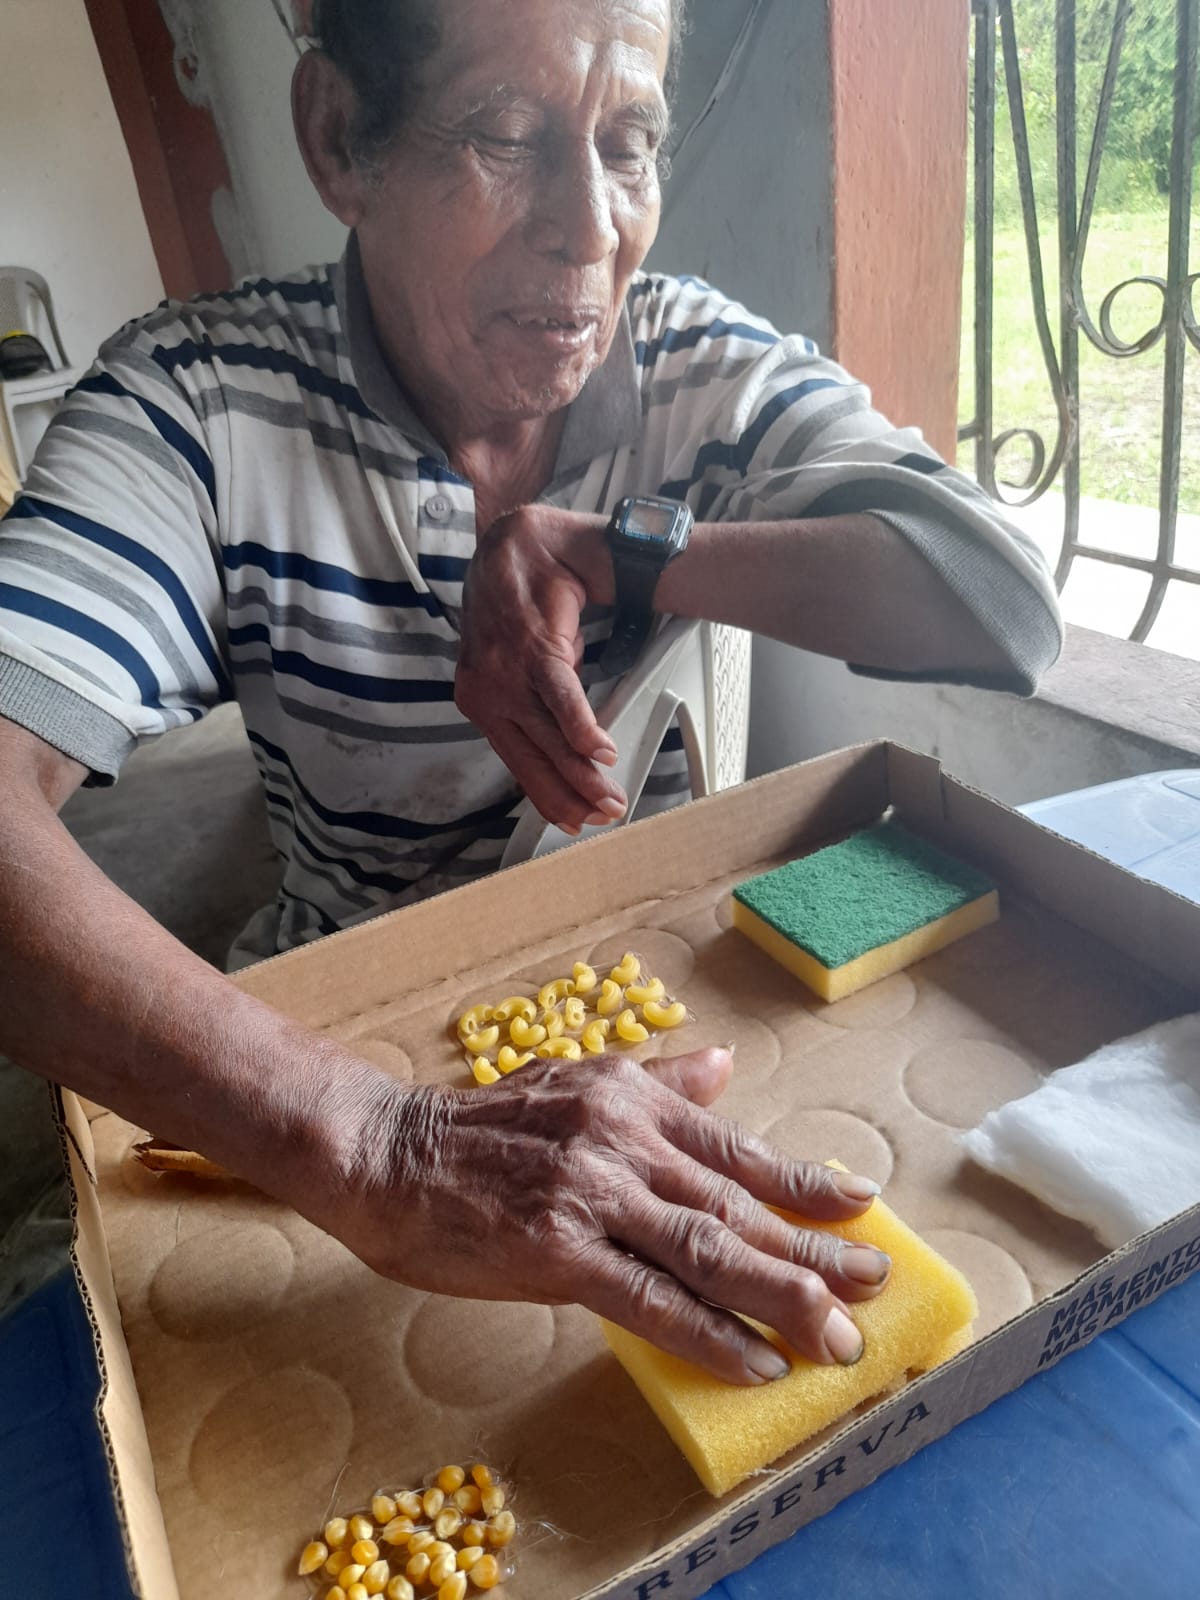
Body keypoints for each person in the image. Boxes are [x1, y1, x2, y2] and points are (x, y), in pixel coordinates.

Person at [0, 0, 1061, 1383]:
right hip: (336, 1039)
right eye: (505, 136)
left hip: (656, 1008)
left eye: (630, 144)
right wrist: (382, 1141)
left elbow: (1000, 603)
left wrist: (626, 554)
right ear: (341, 138)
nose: (590, 230)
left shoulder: (697, 369)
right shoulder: (201, 409)